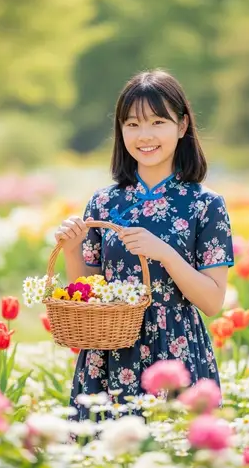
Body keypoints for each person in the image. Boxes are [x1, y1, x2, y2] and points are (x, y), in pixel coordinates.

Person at [54, 69, 234, 420]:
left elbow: (212, 301)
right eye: (132, 125)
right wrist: (73, 249)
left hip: (175, 350)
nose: (145, 135)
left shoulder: (205, 205)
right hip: (109, 351)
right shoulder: (104, 202)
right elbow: (89, 289)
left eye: (157, 122)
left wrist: (165, 252)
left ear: (182, 127)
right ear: (120, 131)